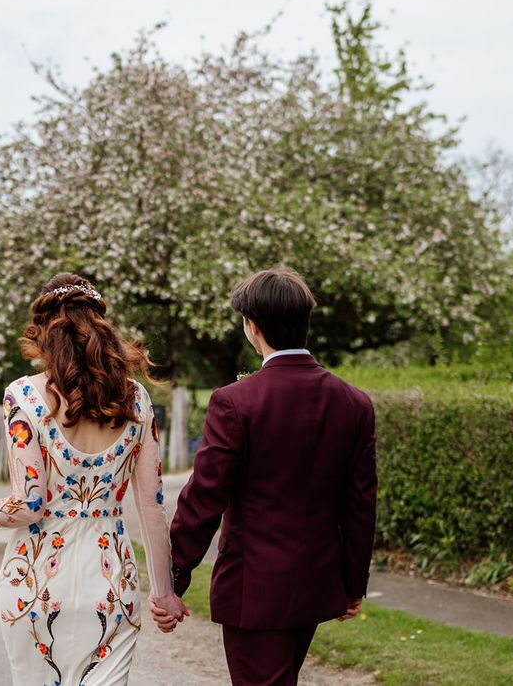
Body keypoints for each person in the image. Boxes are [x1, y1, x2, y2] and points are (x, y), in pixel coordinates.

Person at [0, 273, 187, 686]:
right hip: (111, 583)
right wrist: (164, 592)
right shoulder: (136, 399)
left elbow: (28, 505)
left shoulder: (23, 397)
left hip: (34, 584)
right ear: (101, 329)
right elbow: (151, 505)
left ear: (42, 333)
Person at [152, 266, 377, 685]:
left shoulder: (235, 403)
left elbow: (204, 498)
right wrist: (352, 583)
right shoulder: (355, 403)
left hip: (253, 590)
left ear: (252, 327)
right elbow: (361, 504)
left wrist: (174, 579)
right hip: (315, 585)